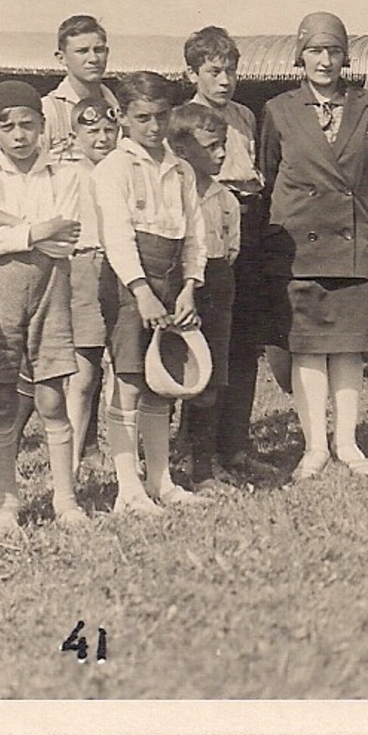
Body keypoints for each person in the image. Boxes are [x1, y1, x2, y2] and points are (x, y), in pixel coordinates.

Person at [261, 12, 368, 479]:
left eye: (334, 51)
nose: (325, 61)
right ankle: (314, 447)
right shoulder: (279, 110)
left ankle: (347, 442)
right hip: (299, 250)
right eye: (315, 51)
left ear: (346, 57)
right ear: (300, 56)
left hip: (353, 244)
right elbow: (267, 177)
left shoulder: (367, 106)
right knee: (306, 349)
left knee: (347, 348)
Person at [0, 80, 88, 538]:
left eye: (27, 124)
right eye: (6, 125)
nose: (18, 134)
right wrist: (35, 231)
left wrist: (13, 231)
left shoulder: (65, 176)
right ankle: (7, 504)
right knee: (1, 402)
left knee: (53, 396)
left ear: (42, 127)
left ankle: (65, 499)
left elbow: (66, 237)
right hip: (0, 299)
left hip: (52, 293)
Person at [91, 71, 208, 513]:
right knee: (129, 381)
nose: (154, 127)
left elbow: (195, 233)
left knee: (163, 381)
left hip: (174, 281)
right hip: (129, 285)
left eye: (161, 117)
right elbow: (117, 236)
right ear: (122, 118)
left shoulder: (180, 170)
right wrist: (141, 291)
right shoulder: (114, 169)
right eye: (142, 118)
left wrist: (190, 287)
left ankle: (161, 480)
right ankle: (129, 488)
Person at [184, 25, 282, 482]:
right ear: (193, 75)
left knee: (244, 344)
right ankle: (194, 452)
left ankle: (235, 447)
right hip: (208, 233)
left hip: (250, 224)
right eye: (214, 71)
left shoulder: (245, 115)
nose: (224, 80)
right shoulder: (185, 121)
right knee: (207, 345)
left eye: (231, 71)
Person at [168, 102, 240, 493]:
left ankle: (202, 467)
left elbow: (230, 251)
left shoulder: (225, 200)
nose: (222, 153)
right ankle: (158, 467)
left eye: (223, 144)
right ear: (181, 149)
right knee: (164, 377)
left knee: (210, 376)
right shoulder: (169, 192)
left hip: (215, 286)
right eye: (212, 146)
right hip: (173, 286)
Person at [59, 98, 120, 476]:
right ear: (75, 135)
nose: (101, 138)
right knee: (83, 374)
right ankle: (70, 459)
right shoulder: (66, 173)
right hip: (82, 267)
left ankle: (121, 457)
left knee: (121, 369)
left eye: (108, 131)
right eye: (92, 131)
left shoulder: (125, 167)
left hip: (124, 267)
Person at [41, 15, 120, 161]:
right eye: (82, 51)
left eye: (99, 50)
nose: (93, 59)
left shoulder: (119, 108)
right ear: (61, 58)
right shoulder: (48, 110)